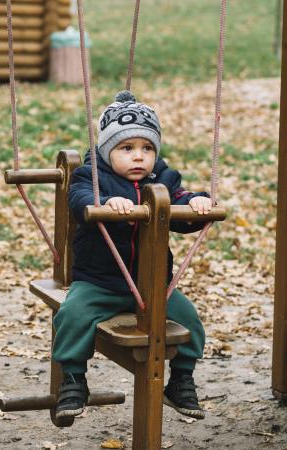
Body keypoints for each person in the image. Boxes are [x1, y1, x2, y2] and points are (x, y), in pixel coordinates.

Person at [53, 91, 212, 420]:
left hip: (153, 288)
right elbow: (80, 200)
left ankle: (181, 381)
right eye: (127, 148)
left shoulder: (163, 180)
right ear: (108, 150)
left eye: (147, 148)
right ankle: (73, 380)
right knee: (71, 315)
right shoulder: (93, 177)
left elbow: (181, 202)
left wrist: (197, 204)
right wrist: (105, 204)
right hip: (99, 283)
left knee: (190, 320)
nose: (139, 157)